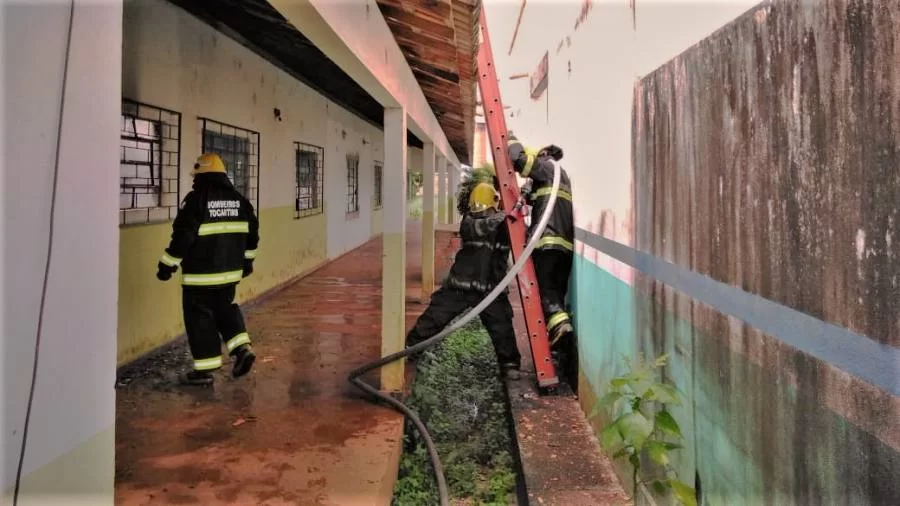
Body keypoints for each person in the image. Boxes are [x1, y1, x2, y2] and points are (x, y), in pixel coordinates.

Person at [156, 153, 260, 386]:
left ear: (202, 176)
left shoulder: (196, 201)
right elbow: (252, 237)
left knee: (200, 318)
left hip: (200, 277)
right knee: (225, 310)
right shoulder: (240, 201)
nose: (194, 181)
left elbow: (183, 238)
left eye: (196, 177)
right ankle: (242, 349)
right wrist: (247, 263)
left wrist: (167, 265)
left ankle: (204, 372)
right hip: (230, 274)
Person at [405, 182, 521, 378]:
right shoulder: (469, 223)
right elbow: (483, 226)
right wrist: (507, 215)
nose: (481, 214)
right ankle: (411, 349)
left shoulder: (504, 225)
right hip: (460, 287)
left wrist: (517, 214)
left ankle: (509, 364)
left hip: (491, 290)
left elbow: (517, 232)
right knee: (435, 317)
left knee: (501, 326)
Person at [507, 136, 575, 352]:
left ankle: (560, 324)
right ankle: (559, 341)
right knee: (555, 291)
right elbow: (538, 199)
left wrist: (511, 142)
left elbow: (517, 158)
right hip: (564, 247)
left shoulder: (546, 168)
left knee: (546, 291)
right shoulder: (561, 176)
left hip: (547, 242)